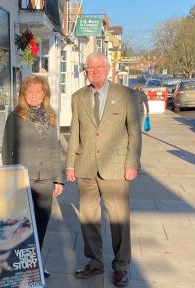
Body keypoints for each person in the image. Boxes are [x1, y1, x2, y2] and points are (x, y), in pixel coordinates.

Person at [65, 52, 142, 287]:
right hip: (86, 167)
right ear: (86, 71)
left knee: (119, 219)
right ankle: (95, 262)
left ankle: (121, 266)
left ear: (108, 69)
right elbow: (75, 133)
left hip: (116, 168)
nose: (95, 71)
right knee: (88, 218)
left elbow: (134, 133)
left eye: (99, 67)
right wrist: (69, 164)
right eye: (91, 68)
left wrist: (131, 164)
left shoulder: (126, 95)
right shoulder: (78, 97)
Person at [1, 74, 64, 277]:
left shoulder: (51, 116)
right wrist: (12, 177)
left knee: (42, 223)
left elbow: (55, 148)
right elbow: (7, 149)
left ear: (44, 94)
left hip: (45, 179)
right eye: (30, 91)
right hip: (23, 180)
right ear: (23, 94)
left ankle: (35, 263)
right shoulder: (15, 117)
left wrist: (58, 178)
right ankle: (20, 264)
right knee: (22, 225)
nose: (35, 95)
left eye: (39, 92)